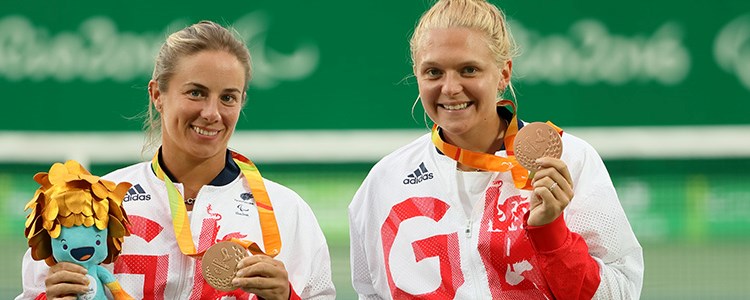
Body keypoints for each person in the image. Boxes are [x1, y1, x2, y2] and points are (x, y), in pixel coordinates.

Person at [18, 20, 336, 300]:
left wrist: (286, 297)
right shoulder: (95, 201)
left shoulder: (286, 212)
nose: (211, 113)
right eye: (196, 93)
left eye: (228, 97)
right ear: (157, 94)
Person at [348, 0, 643, 299]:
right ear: (417, 75)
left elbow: (621, 292)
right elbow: (370, 293)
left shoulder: (569, 161)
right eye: (434, 72)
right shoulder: (385, 183)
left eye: (469, 70)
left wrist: (553, 235)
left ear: (504, 73)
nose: (450, 88)